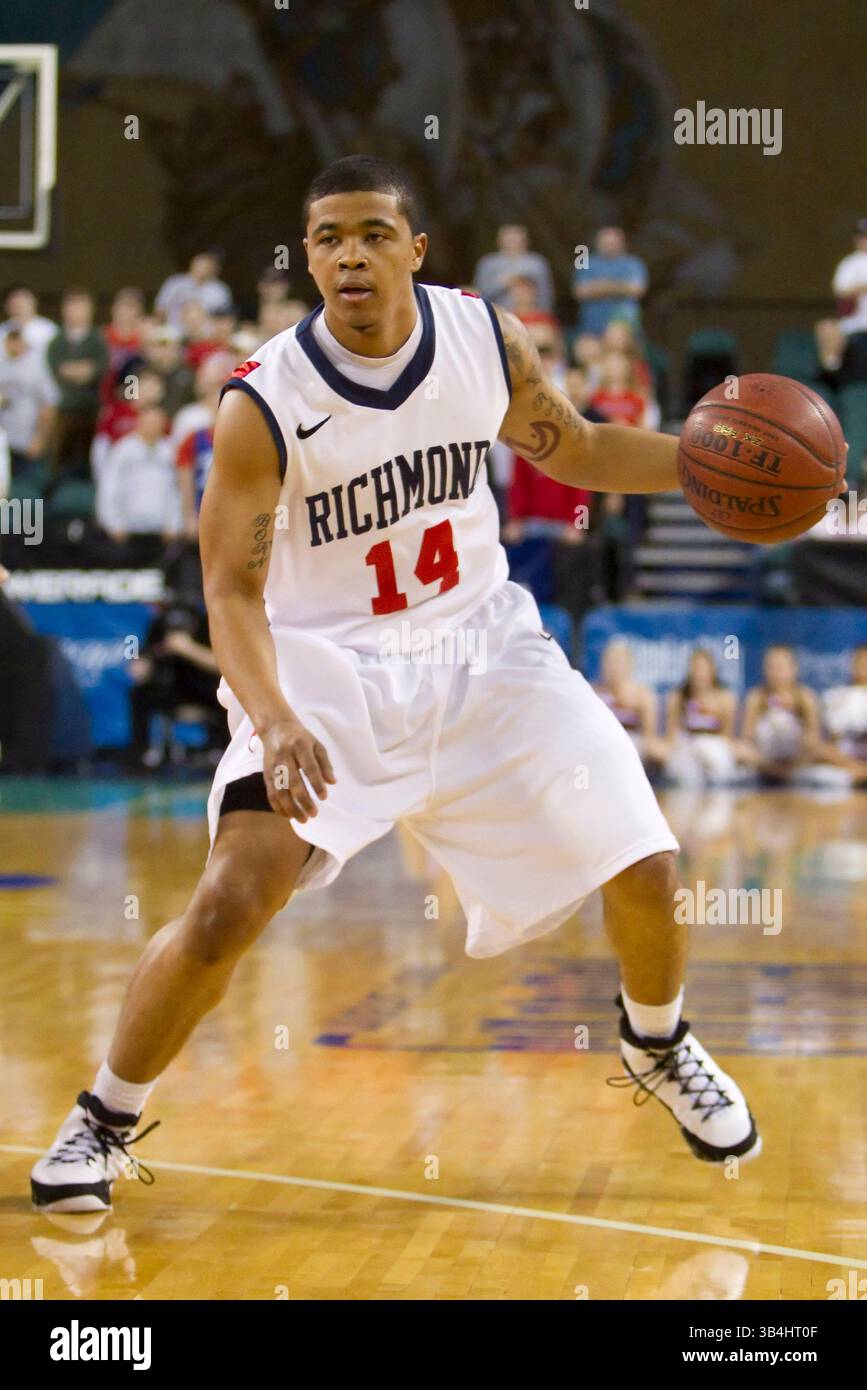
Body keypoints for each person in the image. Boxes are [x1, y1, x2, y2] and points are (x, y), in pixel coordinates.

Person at [31, 155, 760, 1214]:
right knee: (234, 896)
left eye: (374, 232)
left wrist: (709, 460)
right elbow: (229, 596)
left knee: (646, 859)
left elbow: (586, 448)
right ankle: (102, 1117)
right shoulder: (263, 401)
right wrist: (274, 716)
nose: (351, 255)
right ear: (310, 256)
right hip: (330, 668)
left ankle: (658, 1038)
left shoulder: (481, 339)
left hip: (481, 650)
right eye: (328, 237)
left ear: (416, 249)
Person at [46, 289, 109, 479]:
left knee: (92, 457)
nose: (76, 311)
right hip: (65, 409)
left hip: (93, 409)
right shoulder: (56, 342)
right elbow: (58, 370)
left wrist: (78, 371)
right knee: (59, 455)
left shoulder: (98, 339)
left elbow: (99, 369)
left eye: (81, 306)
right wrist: (82, 370)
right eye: (71, 306)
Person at [661, 649, 746, 787]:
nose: (699, 673)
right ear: (689, 671)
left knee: (716, 752)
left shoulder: (725, 698)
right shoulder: (677, 697)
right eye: (696, 668)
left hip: (714, 747)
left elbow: (727, 737)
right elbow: (671, 737)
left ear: (712, 670)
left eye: (703, 669)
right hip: (686, 748)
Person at [741, 646, 822, 783]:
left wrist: (794, 712)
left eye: (781, 666)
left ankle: (785, 773)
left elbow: (813, 738)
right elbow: (746, 738)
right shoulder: (756, 697)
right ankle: (777, 773)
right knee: (739, 750)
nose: (776, 672)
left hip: (796, 759)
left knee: (819, 749)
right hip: (765, 759)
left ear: (794, 669)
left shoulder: (805, 697)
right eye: (772, 666)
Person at [593, 640, 665, 767]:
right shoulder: (593, 692)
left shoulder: (642, 694)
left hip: (633, 744)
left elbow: (649, 735)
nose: (614, 668)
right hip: (601, 744)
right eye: (609, 662)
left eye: (618, 662)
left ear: (629, 665)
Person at [0, 328, 59, 479]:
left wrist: (40, 439)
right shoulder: (2, 364)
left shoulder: (37, 366)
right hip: (4, 442)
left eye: (17, 339)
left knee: (26, 494)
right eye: (11, 340)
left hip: (27, 443)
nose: (14, 344)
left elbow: (49, 406)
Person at [574, 227, 648, 337]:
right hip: (592, 328)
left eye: (613, 242)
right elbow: (579, 292)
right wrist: (620, 288)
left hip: (626, 328)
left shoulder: (633, 263)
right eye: (606, 242)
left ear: (622, 243)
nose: (609, 246)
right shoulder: (585, 262)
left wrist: (601, 286)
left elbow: (637, 290)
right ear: (597, 243)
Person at [472, 224, 555, 313]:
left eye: (516, 238)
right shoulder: (488, 263)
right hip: (497, 316)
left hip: (530, 317)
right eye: (509, 239)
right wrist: (502, 283)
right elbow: (479, 294)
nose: (513, 242)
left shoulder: (537, 263)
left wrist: (543, 316)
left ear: (526, 240)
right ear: (499, 240)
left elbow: (546, 294)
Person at [154, 251, 233, 330]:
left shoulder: (219, 290)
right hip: (175, 330)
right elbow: (160, 309)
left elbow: (224, 318)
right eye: (199, 265)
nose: (201, 270)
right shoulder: (175, 283)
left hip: (207, 334)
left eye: (206, 267)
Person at [831, 218, 867, 382]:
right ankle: (831, 370)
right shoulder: (850, 262)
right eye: (862, 236)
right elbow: (840, 291)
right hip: (855, 323)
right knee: (827, 328)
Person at [0, 286, 58, 358]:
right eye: (14, 301)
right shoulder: (2, 330)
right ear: (7, 306)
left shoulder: (48, 329)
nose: (19, 305)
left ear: (34, 302)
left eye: (23, 300)